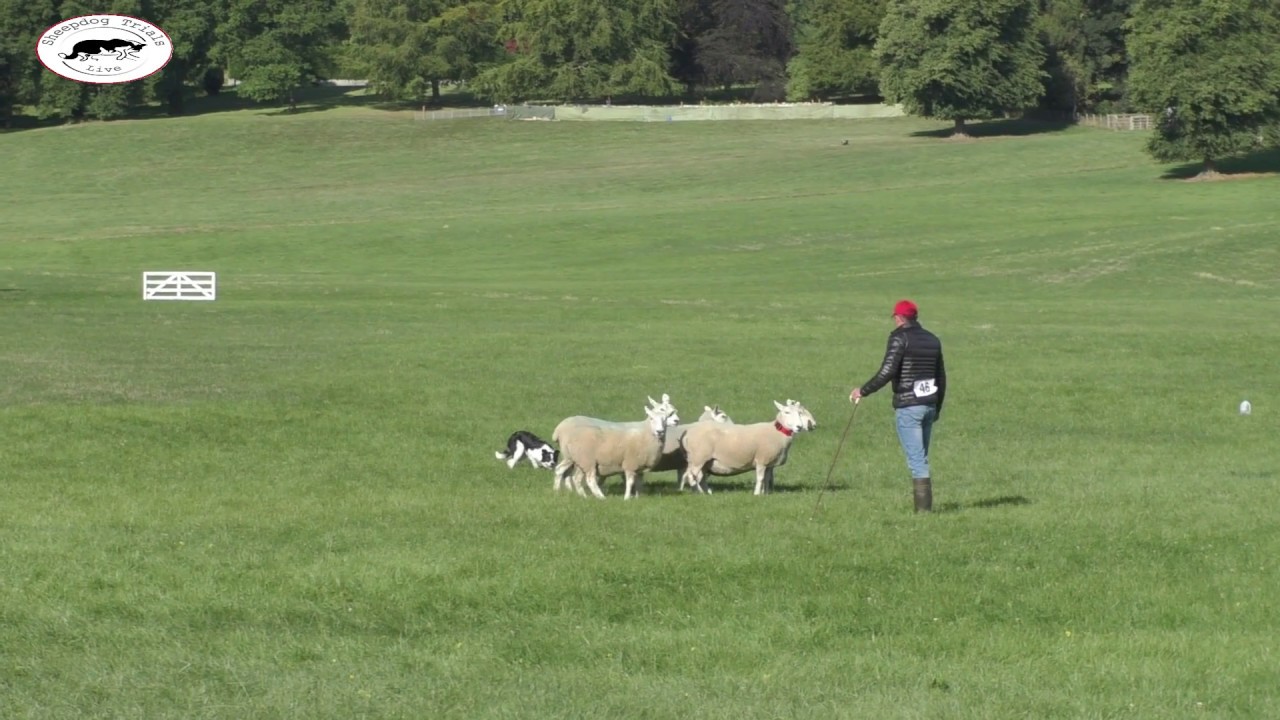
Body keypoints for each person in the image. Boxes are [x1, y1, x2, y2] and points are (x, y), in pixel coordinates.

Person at [850, 300, 946, 512]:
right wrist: (937, 407)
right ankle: (924, 510)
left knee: (917, 460)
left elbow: (888, 371)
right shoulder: (933, 339)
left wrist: (863, 390)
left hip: (909, 406)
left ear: (899, 317)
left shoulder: (899, 337)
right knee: (921, 456)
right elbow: (941, 376)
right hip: (929, 405)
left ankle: (923, 513)